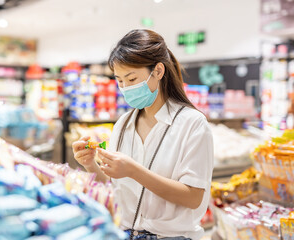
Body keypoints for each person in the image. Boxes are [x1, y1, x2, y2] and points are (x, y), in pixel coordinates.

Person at [72, 29, 214, 240]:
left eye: (131, 79)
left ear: (158, 71)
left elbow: (193, 197)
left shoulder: (192, 124)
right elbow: (116, 189)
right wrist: (90, 164)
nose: (125, 88)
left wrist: (134, 171)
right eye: (120, 81)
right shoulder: (124, 124)